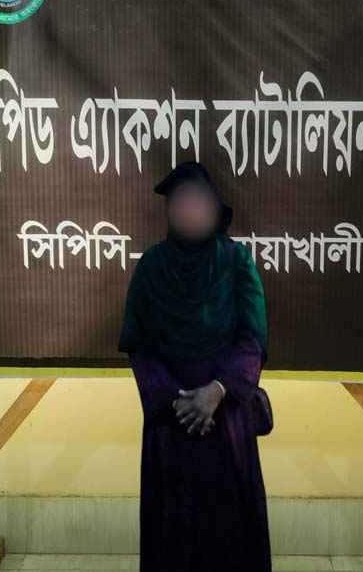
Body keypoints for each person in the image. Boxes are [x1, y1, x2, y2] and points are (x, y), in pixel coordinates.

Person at [118, 161, 271, 572]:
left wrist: (217, 391)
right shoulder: (151, 266)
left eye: (198, 201)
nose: (189, 210)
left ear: (217, 209)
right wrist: (178, 402)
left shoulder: (236, 261)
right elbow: (139, 346)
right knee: (173, 535)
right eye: (180, 202)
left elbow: (253, 339)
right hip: (172, 423)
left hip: (227, 419)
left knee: (231, 535)